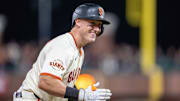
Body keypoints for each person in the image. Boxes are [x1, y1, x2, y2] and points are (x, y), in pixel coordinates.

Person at [13, 3, 112, 101]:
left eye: (99, 26)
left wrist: (83, 93)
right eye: (92, 24)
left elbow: (61, 86)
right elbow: (46, 81)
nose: (97, 29)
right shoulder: (63, 46)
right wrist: (82, 95)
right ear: (78, 22)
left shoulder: (79, 50)